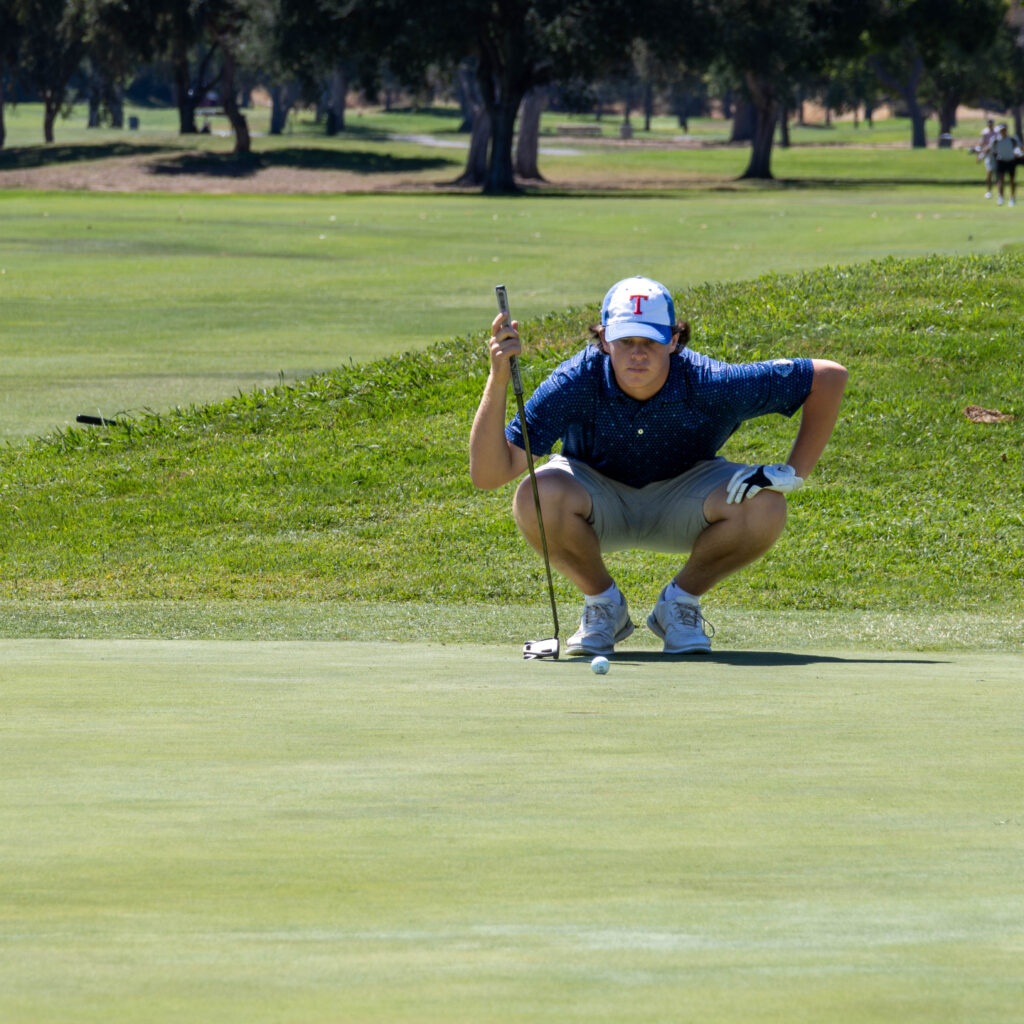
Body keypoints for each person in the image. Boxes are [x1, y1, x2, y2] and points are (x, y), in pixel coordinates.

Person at [469, 275, 848, 657]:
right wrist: (498, 377)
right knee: (538, 493)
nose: (638, 353)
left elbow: (828, 377)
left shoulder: (710, 382)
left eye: (650, 341)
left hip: (686, 495)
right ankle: (603, 606)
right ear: (603, 340)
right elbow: (488, 475)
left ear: (673, 340)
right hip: (594, 497)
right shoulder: (574, 382)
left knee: (766, 503)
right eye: (626, 341)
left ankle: (679, 605)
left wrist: (794, 473)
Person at [989, 123, 1020, 207]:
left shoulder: (1012, 139)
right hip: (1001, 161)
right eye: (1001, 130)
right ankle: (1001, 197)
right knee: (1000, 180)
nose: (1003, 132)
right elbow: (992, 150)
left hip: (1011, 161)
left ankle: (1012, 198)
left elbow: (1020, 147)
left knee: (1012, 181)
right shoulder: (995, 140)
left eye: (1004, 130)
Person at [975, 118, 997, 198]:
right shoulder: (984, 132)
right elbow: (982, 143)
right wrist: (979, 155)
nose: (990, 125)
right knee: (989, 171)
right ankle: (989, 191)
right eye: (989, 124)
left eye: (991, 124)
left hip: (996, 154)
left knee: (998, 174)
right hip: (988, 154)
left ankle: (999, 192)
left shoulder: (996, 132)